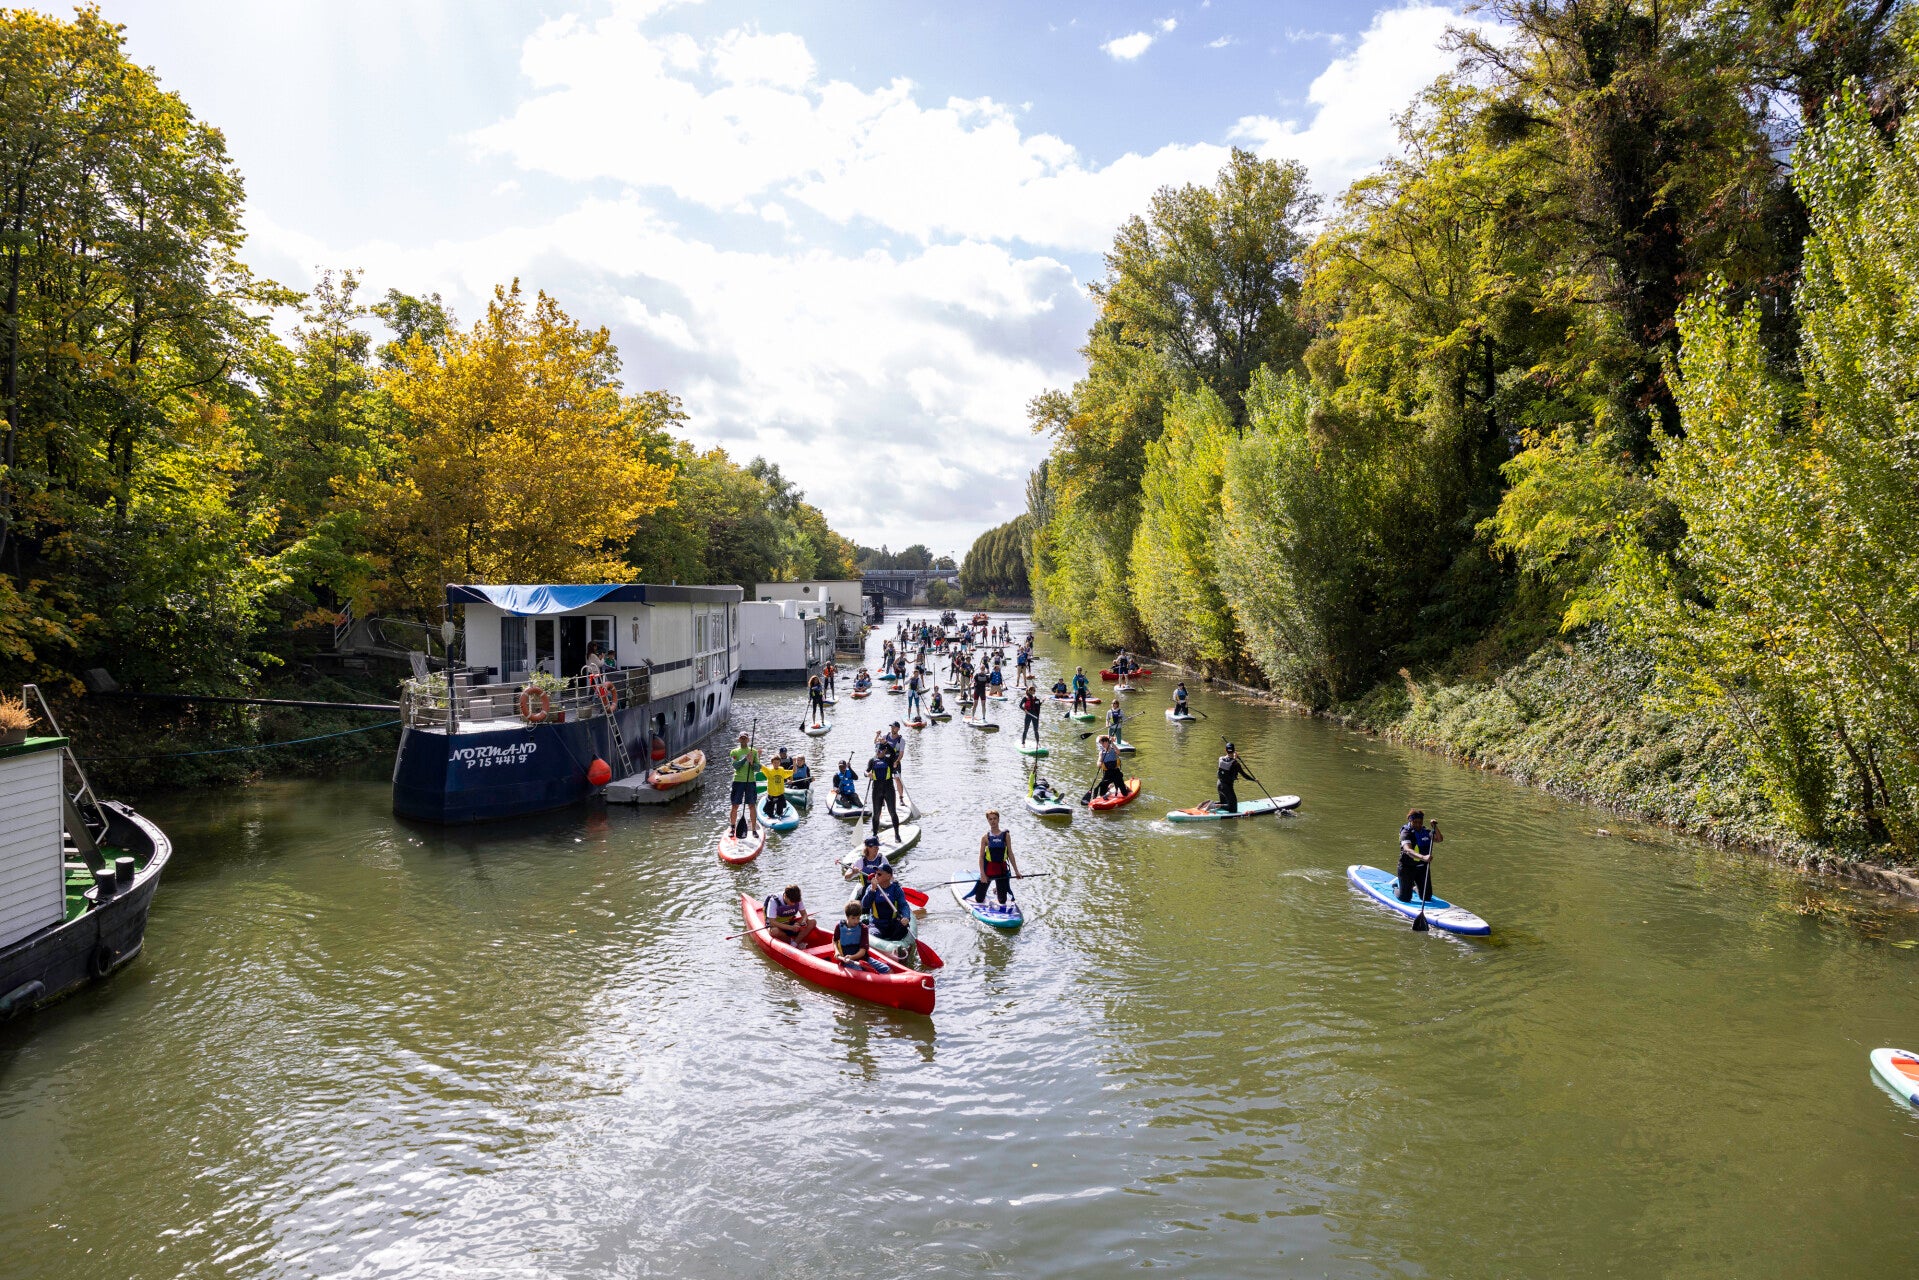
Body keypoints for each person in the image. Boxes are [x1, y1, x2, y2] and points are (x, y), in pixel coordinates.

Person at [966, 809, 1020, 906]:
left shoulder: (1006, 835)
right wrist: (982, 874)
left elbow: (1010, 853)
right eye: (990, 819)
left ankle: (998, 889)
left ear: (998, 819)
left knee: (1002, 901)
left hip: (1002, 871)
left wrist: (1016, 871)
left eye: (995, 818)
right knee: (979, 899)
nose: (993, 821)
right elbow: (981, 857)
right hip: (989, 871)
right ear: (988, 821)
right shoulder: (985, 837)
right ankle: (994, 888)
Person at [1397, 810, 1442, 902]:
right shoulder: (1405, 833)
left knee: (1427, 897)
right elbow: (1408, 850)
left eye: (1420, 822)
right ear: (1410, 821)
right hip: (1407, 868)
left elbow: (1439, 839)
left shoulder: (1425, 832)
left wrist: (1435, 827)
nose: (1418, 825)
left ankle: (1414, 887)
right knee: (1405, 898)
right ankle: (1395, 888)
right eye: (1415, 822)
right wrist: (1423, 857)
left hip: (1422, 868)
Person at [861, 863, 912, 943]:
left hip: (893, 923)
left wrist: (906, 917)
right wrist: (872, 890)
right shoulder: (871, 888)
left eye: (879, 874)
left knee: (903, 927)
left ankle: (894, 944)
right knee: (874, 934)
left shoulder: (896, 889)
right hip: (876, 924)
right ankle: (883, 945)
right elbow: (865, 905)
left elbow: (903, 905)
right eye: (876, 873)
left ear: (888, 876)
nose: (876, 876)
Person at [833, 902, 885, 972]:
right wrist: (836, 951)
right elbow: (835, 940)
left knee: (887, 970)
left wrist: (852, 957)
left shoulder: (863, 928)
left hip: (863, 959)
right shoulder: (839, 927)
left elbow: (863, 951)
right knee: (859, 971)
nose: (856, 921)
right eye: (853, 918)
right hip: (847, 961)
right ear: (847, 916)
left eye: (858, 918)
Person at [728, 732, 761, 837]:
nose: (743, 740)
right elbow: (736, 766)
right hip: (738, 781)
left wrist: (752, 762)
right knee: (735, 805)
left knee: (751, 805)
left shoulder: (754, 752)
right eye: (741, 738)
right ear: (739, 739)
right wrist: (745, 759)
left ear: (748, 740)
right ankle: (732, 827)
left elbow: (758, 768)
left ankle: (754, 829)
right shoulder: (734, 752)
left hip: (750, 781)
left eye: (745, 738)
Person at [868, 742, 903, 840]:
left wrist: (886, 743)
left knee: (892, 812)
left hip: (889, 789)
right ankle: (875, 835)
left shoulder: (889, 760)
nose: (877, 752)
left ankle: (897, 835)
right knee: (876, 814)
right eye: (876, 750)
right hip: (876, 790)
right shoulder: (872, 761)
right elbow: (865, 771)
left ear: (884, 751)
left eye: (879, 751)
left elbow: (893, 752)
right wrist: (868, 774)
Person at [1213, 742, 1258, 815]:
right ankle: (1214, 806)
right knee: (1233, 809)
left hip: (1219, 785)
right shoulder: (1235, 764)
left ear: (1225, 750)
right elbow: (1244, 775)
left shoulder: (1220, 759)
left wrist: (1234, 757)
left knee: (1224, 803)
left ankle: (1211, 804)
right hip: (1227, 787)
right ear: (1234, 751)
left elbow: (1228, 762)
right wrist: (1254, 780)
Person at [761, 752, 794, 819]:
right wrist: (758, 756)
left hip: (780, 794)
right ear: (772, 763)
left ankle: (779, 812)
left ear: (780, 763)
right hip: (772, 794)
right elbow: (761, 766)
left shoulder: (781, 770)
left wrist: (794, 762)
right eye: (774, 763)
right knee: (770, 813)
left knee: (782, 807)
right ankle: (767, 809)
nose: (776, 764)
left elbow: (793, 771)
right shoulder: (769, 770)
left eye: (778, 762)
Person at [1095, 735, 1124, 800]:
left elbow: (1118, 752)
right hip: (1107, 773)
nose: (1102, 745)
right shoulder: (1101, 752)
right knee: (1102, 793)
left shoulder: (1113, 750)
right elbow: (1099, 761)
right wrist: (1099, 763)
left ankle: (1123, 786)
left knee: (1125, 793)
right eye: (1101, 743)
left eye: (1103, 743)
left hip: (1116, 772)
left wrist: (1112, 743)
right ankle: (1109, 788)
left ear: (1107, 742)